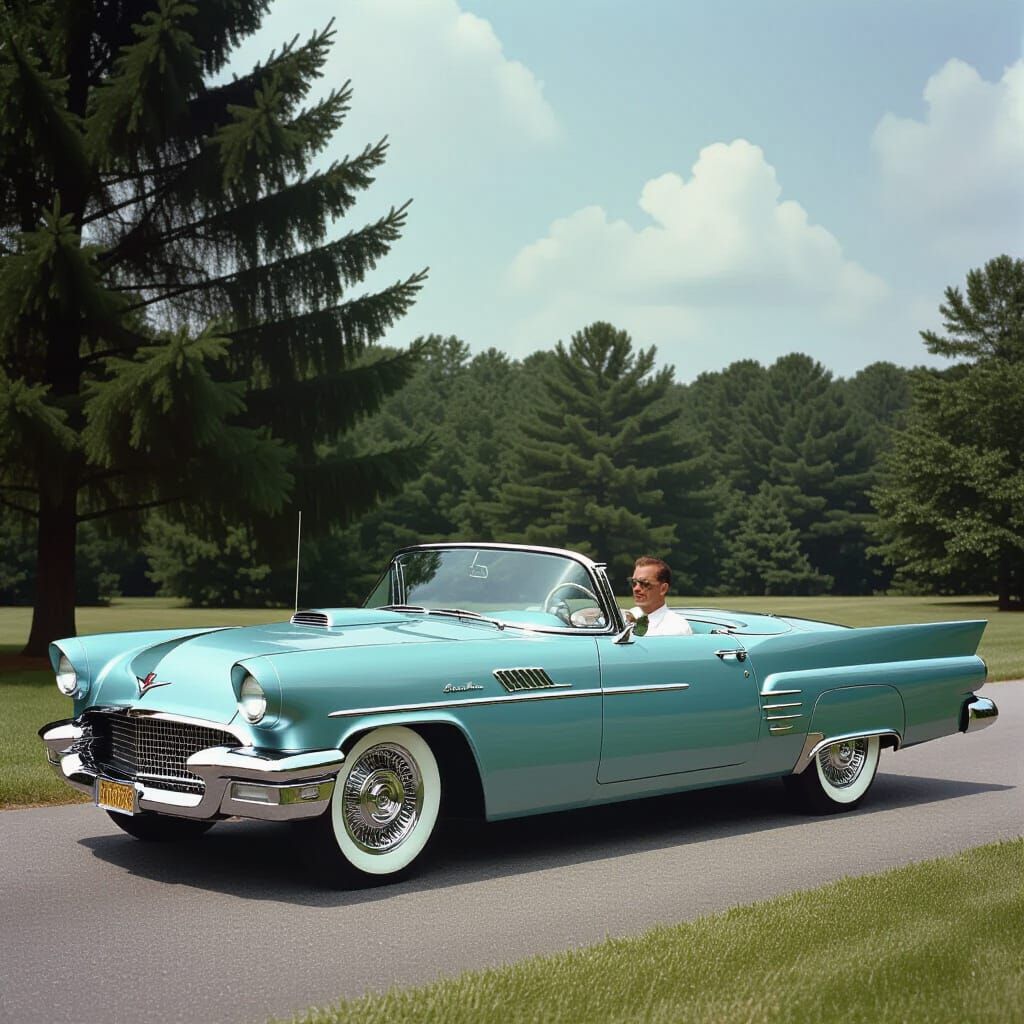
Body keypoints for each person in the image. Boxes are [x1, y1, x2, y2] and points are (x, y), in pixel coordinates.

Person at [626, 556, 693, 636]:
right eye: (633, 583)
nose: (636, 589)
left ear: (663, 589)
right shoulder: (627, 617)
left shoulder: (676, 628)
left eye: (644, 584)